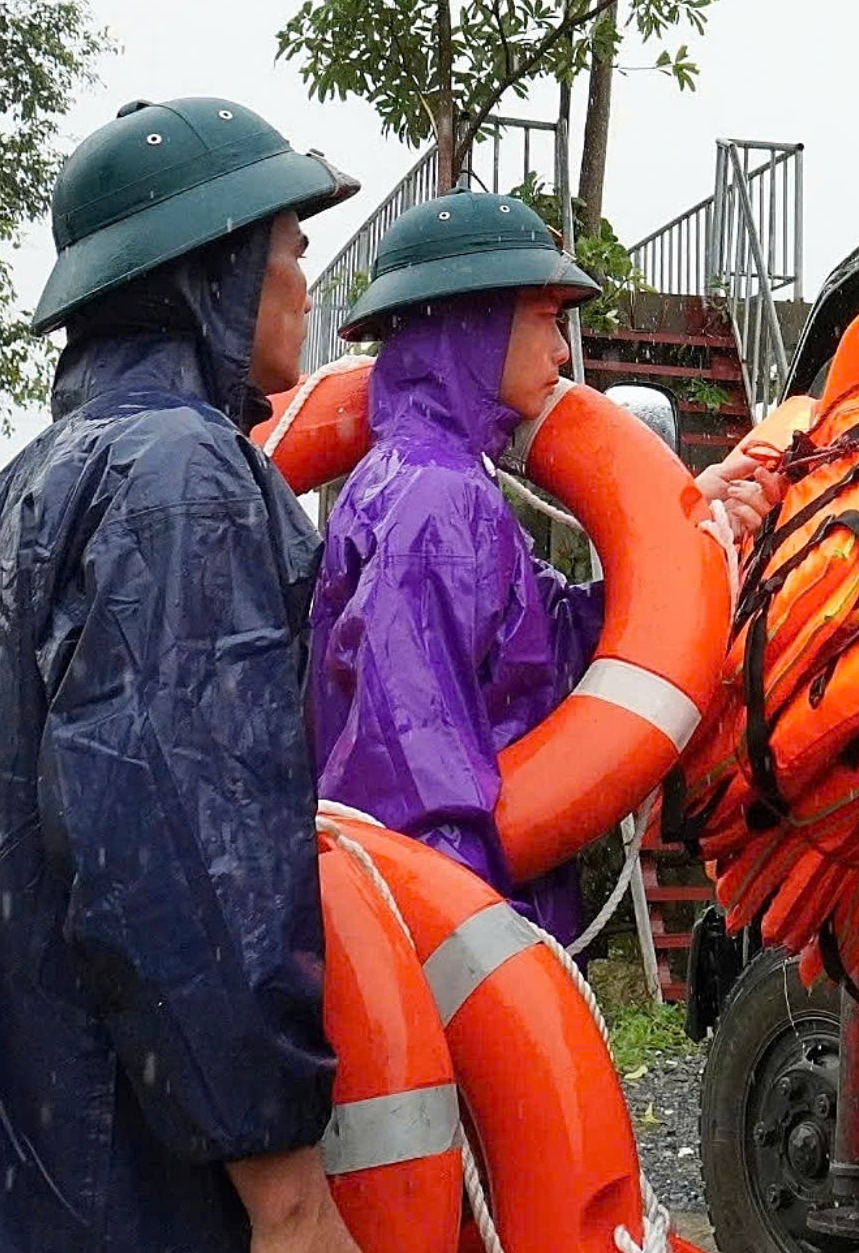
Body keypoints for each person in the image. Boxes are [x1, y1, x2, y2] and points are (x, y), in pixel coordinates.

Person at [0, 96, 378, 1253]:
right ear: (211, 268)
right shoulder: (183, 481)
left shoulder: (0, 503)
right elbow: (180, 861)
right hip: (111, 1206)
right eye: (286, 247)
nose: (301, 280)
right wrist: (287, 1203)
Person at [305, 190, 776, 945]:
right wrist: (483, 961)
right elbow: (411, 767)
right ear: (476, 324)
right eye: (546, 319)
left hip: (452, 912)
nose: (562, 351)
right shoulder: (437, 499)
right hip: (448, 934)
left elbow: (536, 648)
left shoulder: (431, 479)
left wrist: (695, 533)